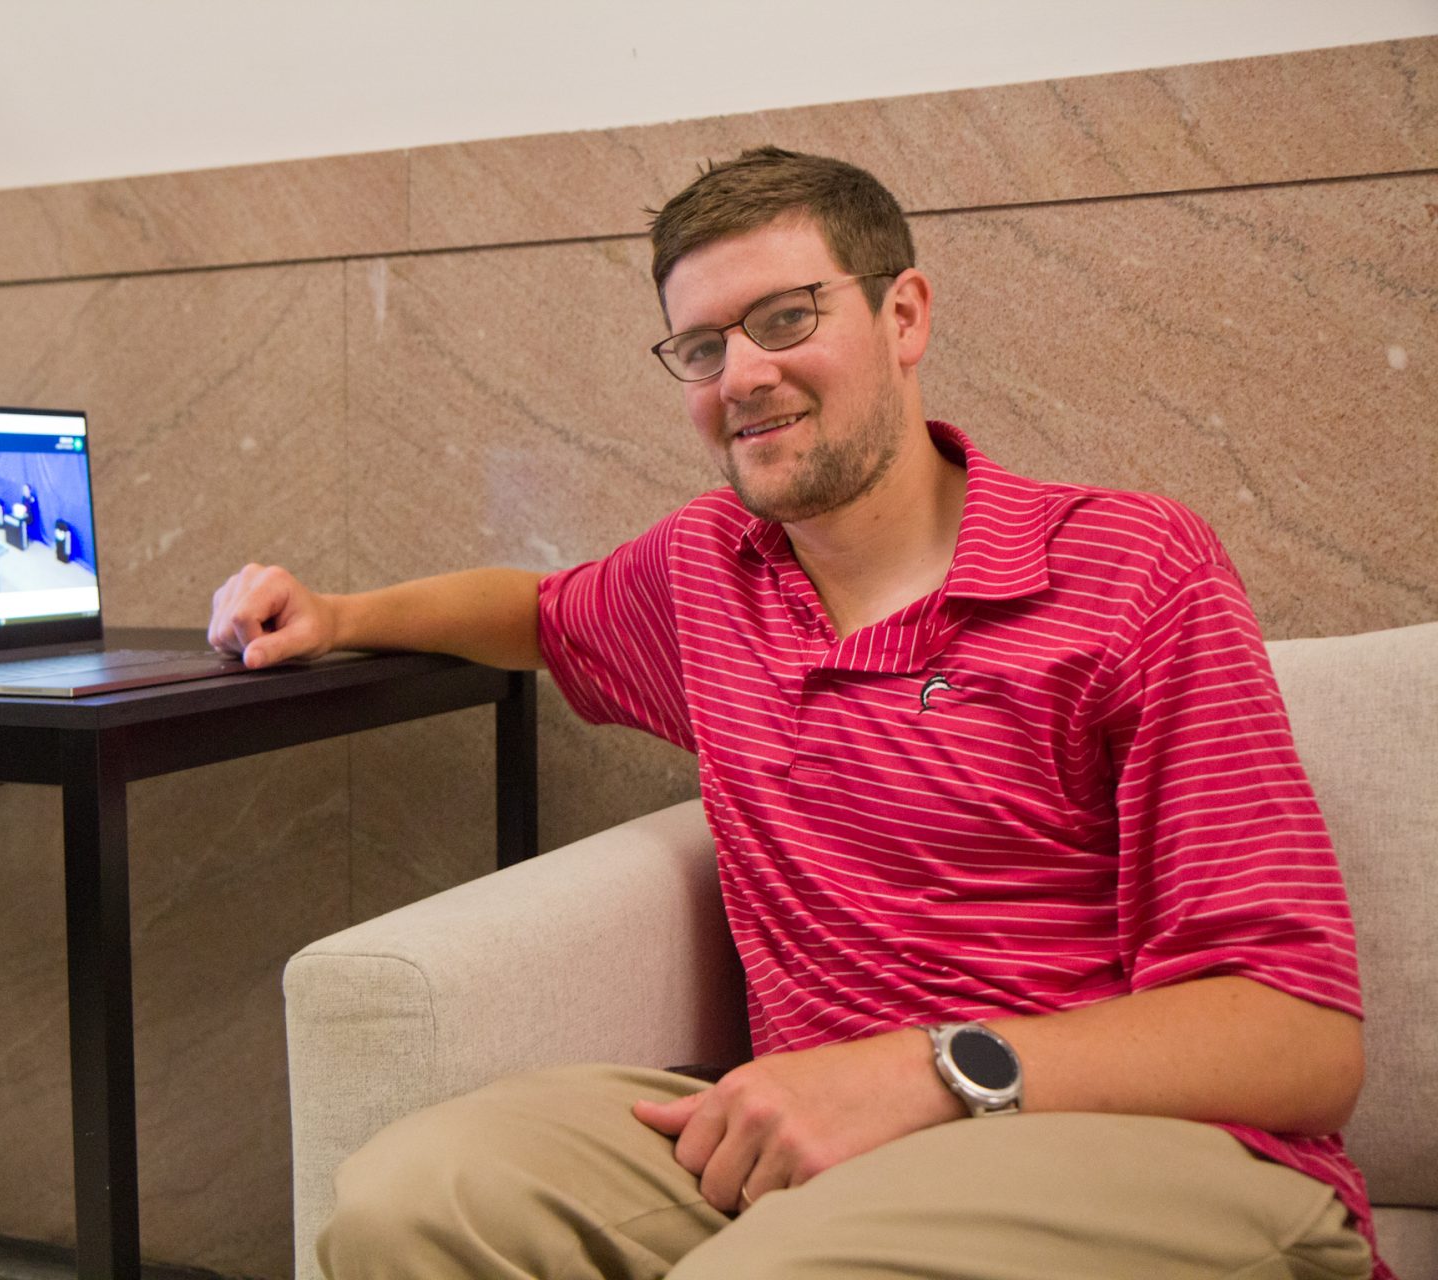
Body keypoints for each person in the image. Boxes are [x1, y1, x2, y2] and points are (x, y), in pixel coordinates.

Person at [208, 148, 1384, 1280]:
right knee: (413, 1198)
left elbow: (1301, 1039)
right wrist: (339, 607)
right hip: (824, 1149)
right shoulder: (709, 571)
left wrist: (922, 1073)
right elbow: (536, 611)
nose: (742, 376)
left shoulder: (1129, 567)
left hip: (1157, 1152)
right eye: (704, 345)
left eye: (785, 318)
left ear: (905, 315)